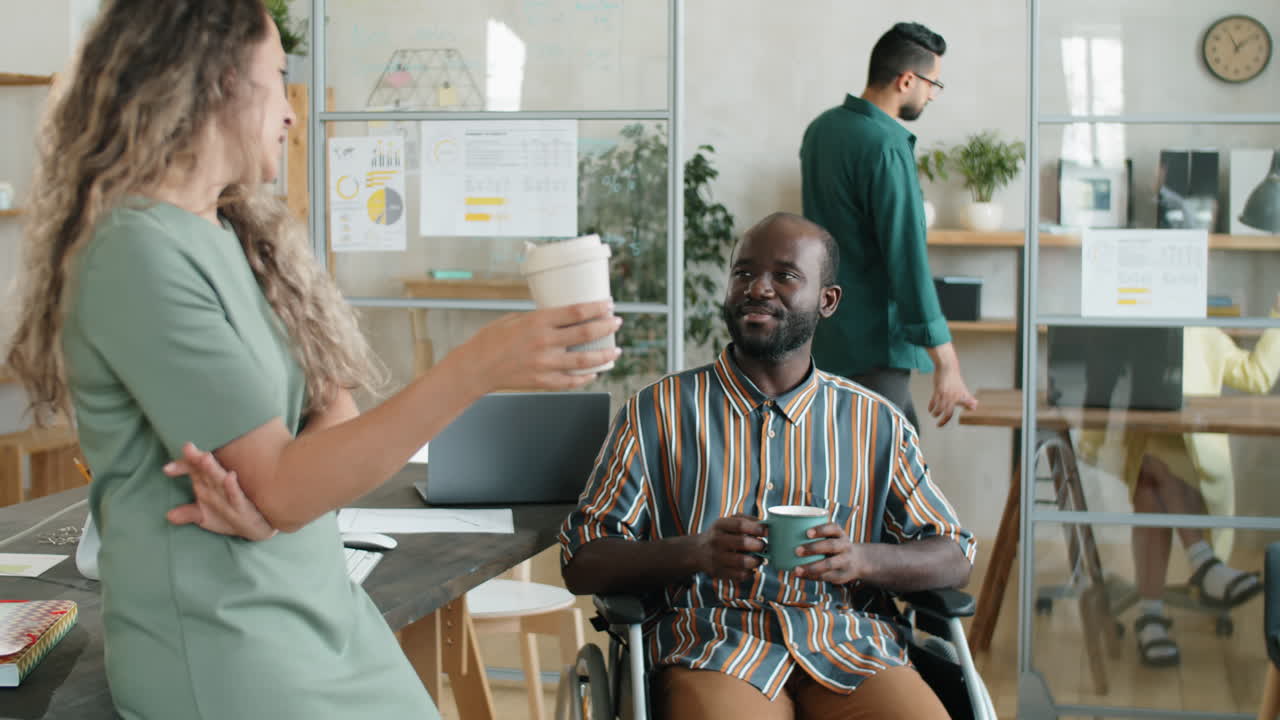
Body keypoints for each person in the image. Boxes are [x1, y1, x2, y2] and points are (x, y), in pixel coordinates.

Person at [4, 2, 619, 718]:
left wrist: (281, 498)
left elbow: (328, 418)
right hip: (228, 647)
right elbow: (286, 483)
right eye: (277, 77)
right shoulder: (135, 254)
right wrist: (476, 367)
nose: (291, 114)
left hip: (313, 609)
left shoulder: (233, 233)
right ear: (215, 83)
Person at [559, 212, 975, 719]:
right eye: (743, 273)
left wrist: (862, 560)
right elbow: (582, 560)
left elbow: (954, 555)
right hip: (712, 645)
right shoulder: (658, 412)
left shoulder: (875, 423)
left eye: (785, 276)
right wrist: (696, 552)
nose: (758, 288)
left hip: (851, 646)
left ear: (827, 301)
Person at [1079, 299, 1280, 667]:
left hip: (1196, 472)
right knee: (1150, 466)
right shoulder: (1131, 333)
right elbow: (1098, 384)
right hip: (1141, 454)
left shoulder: (1205, 334)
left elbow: (1258, 376)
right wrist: (1089, 441)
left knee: (1149, 486)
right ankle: (1204, 565)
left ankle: (1152, 616)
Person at [799, 21, 976, 430]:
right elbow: (907, 258)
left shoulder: (820, 130)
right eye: (933, 83)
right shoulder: (886, 145)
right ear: (906, 80)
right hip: (876, 348)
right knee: (894, 481)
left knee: (839, 471)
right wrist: (946, 361)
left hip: (825, 340)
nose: (933, 93)